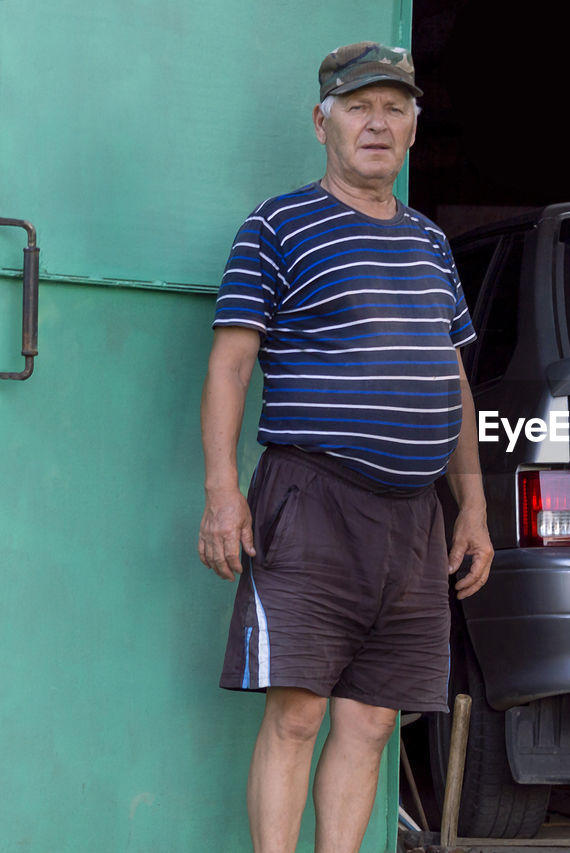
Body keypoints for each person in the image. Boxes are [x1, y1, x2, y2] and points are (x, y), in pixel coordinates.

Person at [196, 41, 493, 853]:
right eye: (359, 107)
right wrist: (223, 491)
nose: (378, 123)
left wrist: (472, 505)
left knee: (370, 720)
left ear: (413, 131)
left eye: (395, 108)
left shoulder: (431, 243)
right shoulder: (277, 224)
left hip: (413, 517)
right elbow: (231, 362)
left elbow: (453, 379)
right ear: (322, 121)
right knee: (298, 713)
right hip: (312, 499)